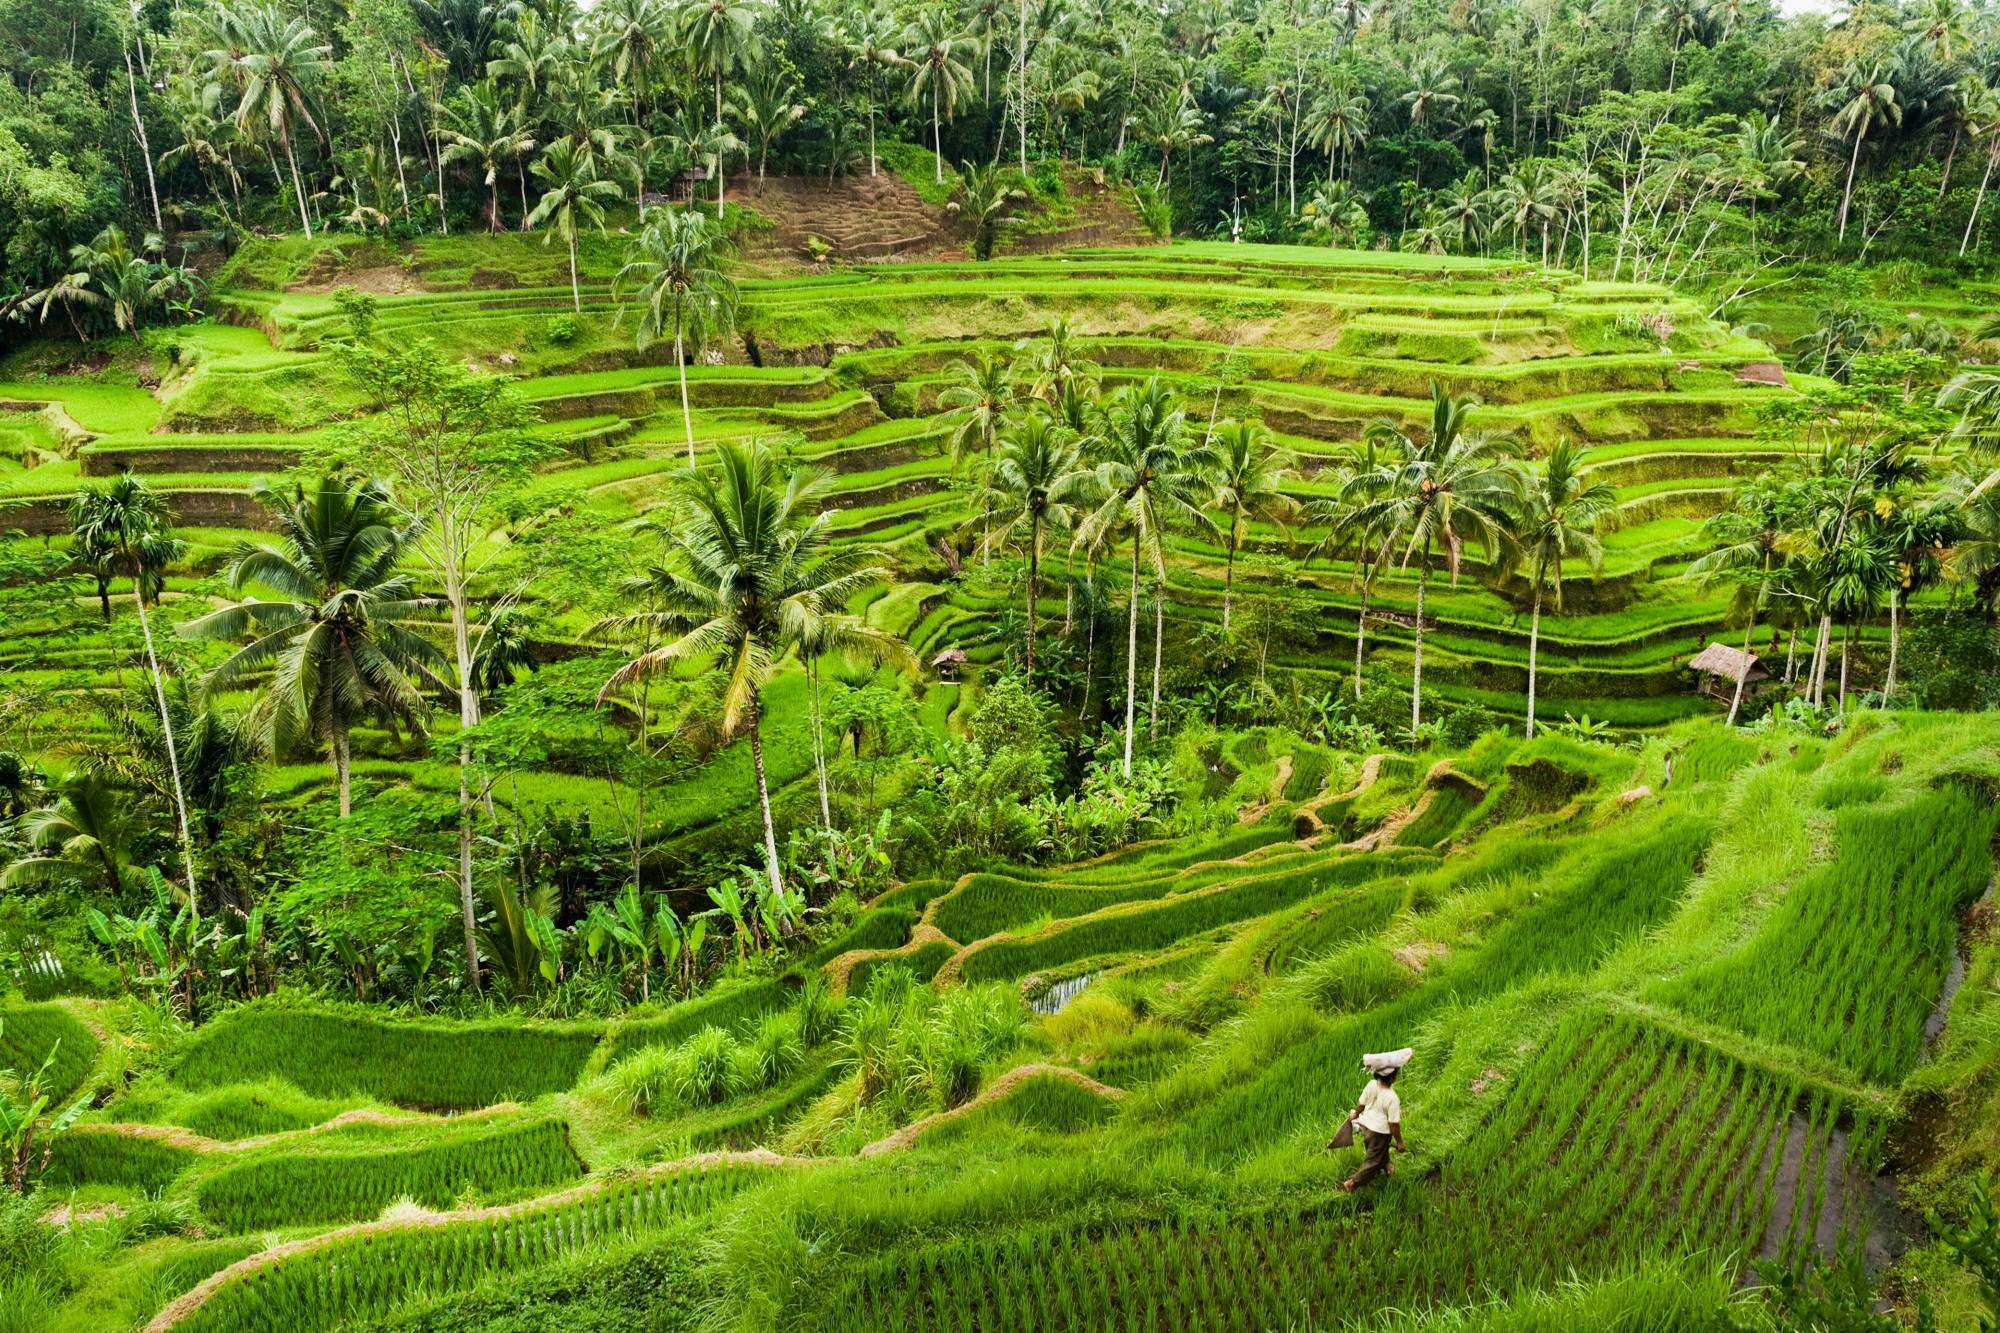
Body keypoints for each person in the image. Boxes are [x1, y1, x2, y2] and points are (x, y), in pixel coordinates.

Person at [1341, 1065, 1406, 1192]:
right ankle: (1352, 1183)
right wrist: (1399, 1142)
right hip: (1379, 1132)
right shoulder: (1392, 1098)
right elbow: (1393, 1125)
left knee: (1378, 1151)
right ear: (1393, 1078)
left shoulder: (1371, 1084)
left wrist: (1356, 1114)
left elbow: (1361, 1104)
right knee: (1373, 1162)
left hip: (1366, 1126)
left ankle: (1388, 1168)